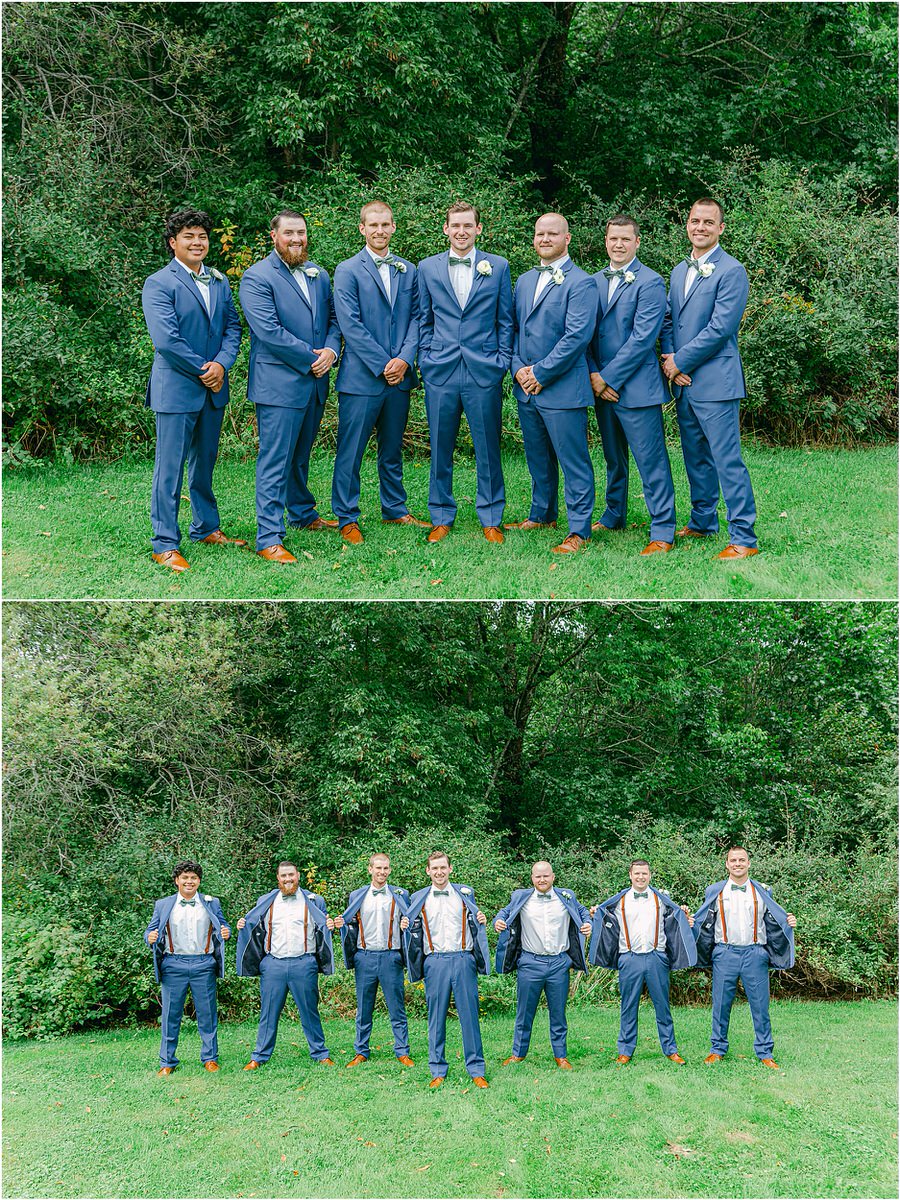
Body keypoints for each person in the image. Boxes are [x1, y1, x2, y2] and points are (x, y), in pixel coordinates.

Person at [141, 208, 245, 571]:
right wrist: (205, 369)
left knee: (204, 465)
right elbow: (167, 340)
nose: (197, 242)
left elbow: (233, 328)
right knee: (168, 469)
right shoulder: (159, 283)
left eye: (201, 236)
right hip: (177, 389)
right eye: (189, 236)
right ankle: (164, 543)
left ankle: (205, 527)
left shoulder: (219, 281)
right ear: (173, 243)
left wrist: (222, 365)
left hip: (213, 388)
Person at [239, 210, 342, 563]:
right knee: (275, 460)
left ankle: (302, 513)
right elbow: (268, 332)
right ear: (274, 236)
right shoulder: (256, 278)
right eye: (289, 233)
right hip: (279, 385)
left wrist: (330, 349)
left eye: (301, 233)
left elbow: (332, 319)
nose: (296, 239)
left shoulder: (319, 275)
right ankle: (268, 536)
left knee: (300, 456)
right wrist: (312, 357)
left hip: (315, 382)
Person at [660, 198, 759, 558]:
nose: (699, 227)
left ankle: (744, 537)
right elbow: (669, 321)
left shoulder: (732, 271)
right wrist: (671, 358)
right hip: (684, 381)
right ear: (687, 224)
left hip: (715, 381)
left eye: (708, 222)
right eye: (694, 220)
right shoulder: (678, 270)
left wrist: (680, 362)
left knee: (726, 458)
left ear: (720, 228)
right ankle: (703, 521)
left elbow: (721, 328)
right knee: (695, 456)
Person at [331, 201, 429, 544]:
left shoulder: (408, 269)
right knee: (351, 450)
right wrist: (382, 363)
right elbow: (350, 324)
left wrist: (404, 358)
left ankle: (395, 508)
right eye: (373, 225)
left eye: (386, 224)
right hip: (361, 377)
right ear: (362, 228)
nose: (380, 231)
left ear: (394, 227)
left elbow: (418, 317)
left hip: (399, 378)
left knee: (392, 449)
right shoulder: (347, 270)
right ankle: (347, 516)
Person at [416, 202, 512, 543]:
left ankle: (491, 516)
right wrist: (426, 358)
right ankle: (441, 515)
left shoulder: (498, 267)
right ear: (445, 229)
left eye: (467, 226)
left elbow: (505, 321)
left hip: (483, 371)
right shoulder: (426, 268)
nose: (461, 231)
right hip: (440, 370)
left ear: (478, 229)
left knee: (488, 447)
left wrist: (500, 362)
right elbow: (423, 319)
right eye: (455, 225)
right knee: (440, 446)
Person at [505, 213, 599, 554]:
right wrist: (518, 369)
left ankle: (579, 530)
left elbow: (577, 337)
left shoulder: (582, 282)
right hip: (526, 387)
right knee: (538, 457)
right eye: (540, 233)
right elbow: (515, 330)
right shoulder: (525, 280)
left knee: (573, 460)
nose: (545, 239)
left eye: (552, 233)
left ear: (567, 238)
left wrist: (540, 374)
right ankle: (542, 513)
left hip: (561, 388)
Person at [588, 215, 676, 554]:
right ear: (606, 241)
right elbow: (585, 335)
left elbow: (643, 339)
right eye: (613, 239)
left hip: (636, 388)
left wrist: (607, 377)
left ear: (637, 242)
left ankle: (663, 529)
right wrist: (595, 376)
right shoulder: (592, 281)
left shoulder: (651, 282)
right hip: (601, 388)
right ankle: (614, 513)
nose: (619, 244)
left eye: (626, 239)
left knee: (650, 460)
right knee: (614, 458)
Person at [692, 847, 797, 1068]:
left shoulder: (763, 891)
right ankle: (717, 1049)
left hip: (755, 954)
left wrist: (789, 922)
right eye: (733, 860)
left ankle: (765, 1052)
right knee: (720, 1004)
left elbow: (775, 919)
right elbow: (703, 920)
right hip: (724, 953)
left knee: (760, 1005)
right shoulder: (714, 891)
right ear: (727, 864)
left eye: (742, 860)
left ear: (749, 863)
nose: (737, 863)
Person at [590, 859, 696, 1065]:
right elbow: (603, 917)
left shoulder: (661, 899)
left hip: (657, 957)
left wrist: (685, 914)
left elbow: (677, 917)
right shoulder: (619, 901)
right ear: (630, 875)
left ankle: (670, 1050)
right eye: (637, 873)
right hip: (629, 958)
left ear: (650, 875)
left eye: (644, 874)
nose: (640, 877)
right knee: (628, 1006)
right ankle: (625, 1051)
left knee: (663, 1006)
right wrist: (595, 913)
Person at [401, 851, 490, 1087]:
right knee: (436, 1017)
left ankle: (476, 1069)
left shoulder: (465, 894)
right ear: (428, 871)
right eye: (434, 868)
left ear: (450, 869)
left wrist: (480, 919)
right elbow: (410, 927)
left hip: (463, 959)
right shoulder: (419, 897)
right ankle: (438, 1070)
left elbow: (476, 921)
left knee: (469, 1016)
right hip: (435, 962)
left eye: (443, 867)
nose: (439, 872)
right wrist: (404, 926)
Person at [235, 861, 335, 1068]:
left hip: (304, 962)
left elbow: (324, 928)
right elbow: (254, 926)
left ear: (298, 875)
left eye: (291, 875)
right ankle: (259, 1056)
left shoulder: (314, 901)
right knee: (268, 1012)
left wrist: (331, 925)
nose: (288, 879)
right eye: (284, 876)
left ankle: (320, 1053)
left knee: (310, 1010)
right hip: (273, 964)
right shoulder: (266, 901)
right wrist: (242, 925)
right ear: (278, 878)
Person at [493, 861, 592, 1069]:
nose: (542, 880)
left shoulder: (566, 896)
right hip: (530, 962)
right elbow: (504, 912)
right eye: (538, 876)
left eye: (546, 876)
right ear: (532, 878)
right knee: (524, 1011)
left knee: (558, 1013)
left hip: (559, 963)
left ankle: (561, 1055)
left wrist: (587, 924)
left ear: (553, 876)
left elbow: (583, 912)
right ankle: (518, 1054)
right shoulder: (521, 897)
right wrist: (498, 921)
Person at [144, 859, 231, 1075]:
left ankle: (210, 1058)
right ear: (177, 881)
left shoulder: (212, 903)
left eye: (193, 878)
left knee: (207, 1013)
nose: (189, 881)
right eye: (185, 878)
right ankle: (167, 1062)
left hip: (204, 963)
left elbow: (223, 925)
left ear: (199, 881)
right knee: (170, 1015)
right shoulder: (163, 904)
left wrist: (226, 931)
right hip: (173, 963)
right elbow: (150, 931)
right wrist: (150, 937)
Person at [329, 852, 414, 1067]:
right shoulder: (357, 895)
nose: (382, 872)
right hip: (364, 957)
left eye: (385, 868)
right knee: (364, 1007)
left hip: (391, 956)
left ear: (390, 870)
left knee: (397, 1007)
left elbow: (411, 921)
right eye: (378, 868)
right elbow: (351, 924)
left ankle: (402, 1051)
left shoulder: (400, 895)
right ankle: (361, 1051)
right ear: (370, 869)